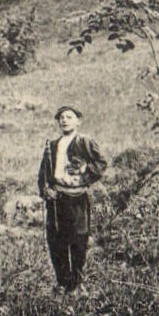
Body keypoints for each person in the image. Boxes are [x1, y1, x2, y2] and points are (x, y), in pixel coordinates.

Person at [37, 105, 108, 292]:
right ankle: (62, 282)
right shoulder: (52, 145)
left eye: (69, 117)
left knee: (78, 240)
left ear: (78, 121)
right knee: (56, 240)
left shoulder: (85, 142)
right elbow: (43, 173)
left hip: (77, 199)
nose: (64, 120)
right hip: (56, 200)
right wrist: (46, 190)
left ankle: (76, 283)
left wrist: (84, 175)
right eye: (61, 117)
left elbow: (101, 164)